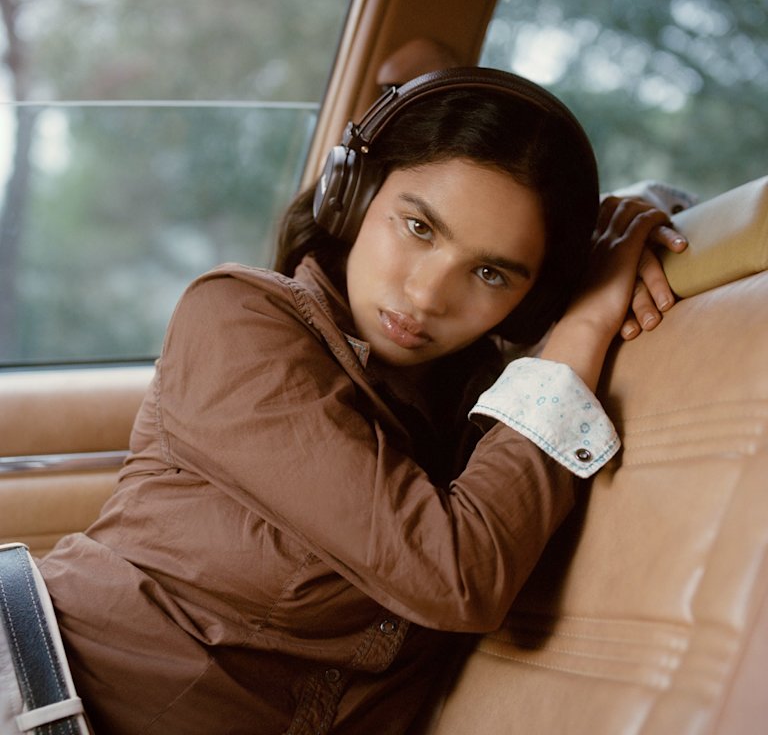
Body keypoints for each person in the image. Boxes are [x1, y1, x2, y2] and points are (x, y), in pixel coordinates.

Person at [34, 68, 688, 734]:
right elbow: (455, 575)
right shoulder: (234, 322)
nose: (429, 295)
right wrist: (582, 328)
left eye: (490, 273)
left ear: (532, 298)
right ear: (352, 195)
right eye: (418, 227)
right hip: (37, 689)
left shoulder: (474, 404)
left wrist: (628, 227)